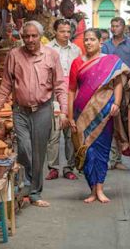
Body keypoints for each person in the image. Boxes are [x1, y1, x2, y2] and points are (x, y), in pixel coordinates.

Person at [0, 21, 68, 207]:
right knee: (24, 148)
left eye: (34, 36)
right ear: (21, 37)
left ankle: (34, 193)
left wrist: (64, 110)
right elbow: (6, 84)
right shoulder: (14, 55)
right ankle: (26, 183)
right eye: (26, 36)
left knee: (38, 153)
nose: (30, 40)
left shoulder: (51, 55)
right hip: (20, 110)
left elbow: (60, 85)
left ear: (40, 36)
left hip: (43, 109)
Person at [68, 29, 130, 203]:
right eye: (86, 40)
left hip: (104, 112)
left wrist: (116, 103)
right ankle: (92, 189)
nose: (88, 43)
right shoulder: (77, 63)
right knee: (86, 150)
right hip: (82, 113)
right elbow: (71, 90)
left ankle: (100, 189)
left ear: (100, 42)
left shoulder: (111, 61)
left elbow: (118, 82)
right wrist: (70, 116)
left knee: (102, 151)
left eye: (92, 40)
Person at [101, 17, 130, 170]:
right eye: (112, 26)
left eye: (117, 26)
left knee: (122, 122)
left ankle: (118, 159)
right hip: (109, 87)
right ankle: (110, 158)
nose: (114, 28)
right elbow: (103, 67)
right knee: (109, 122)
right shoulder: (106, 46)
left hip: (126, 88)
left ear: (123, 28)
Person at [46, 19, 81, 181]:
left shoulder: (76, 50)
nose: (66, 34)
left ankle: (69, 167)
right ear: (55, 32)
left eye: (68, 31)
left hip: (72, 94)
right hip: (53, 94)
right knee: (53, 133)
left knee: (70, 133)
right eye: (62, 31)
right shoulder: (47, 49)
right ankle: (53, 168)